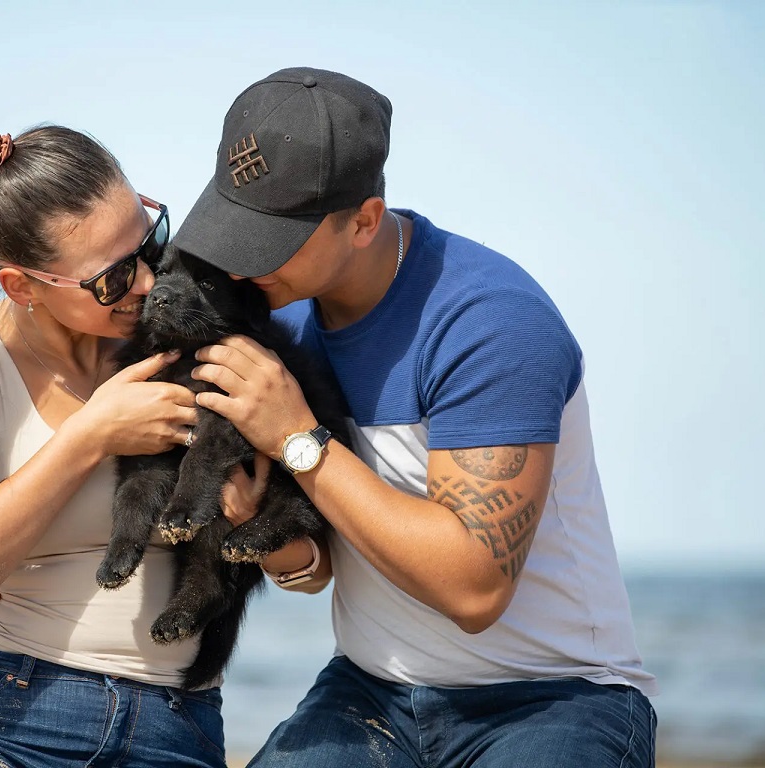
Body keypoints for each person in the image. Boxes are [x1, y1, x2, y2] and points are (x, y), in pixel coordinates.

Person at [172, 67, 658, 767]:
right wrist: (262, 531)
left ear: (365, 221)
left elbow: (473, 589)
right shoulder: (283, 317)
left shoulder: (489, 322)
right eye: (236, 226)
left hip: (555, 696)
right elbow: (322, 565)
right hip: (370, 690)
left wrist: (298, 439)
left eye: (271, 239)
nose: (242, 264)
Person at [0, 124, 311, 767]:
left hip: (177, 722)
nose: (147, 284)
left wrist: (261, 527)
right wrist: (88, 436)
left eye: (150, 244)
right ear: (21, 286)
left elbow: (307, 556)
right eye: (111, 279)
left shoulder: (198, 333)